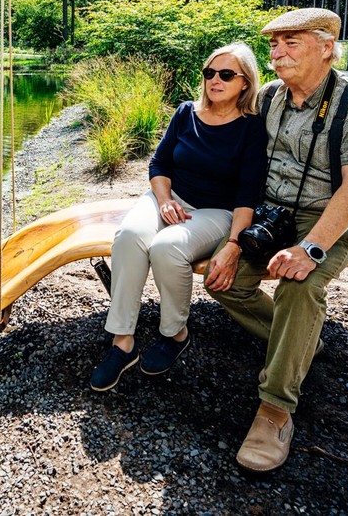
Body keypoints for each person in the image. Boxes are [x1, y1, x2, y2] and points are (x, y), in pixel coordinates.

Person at [205, 8, 348, 472]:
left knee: (300, 287)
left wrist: (310, 249)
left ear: (326, 47)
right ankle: (299, 345)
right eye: (273, 44)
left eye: (291, 42)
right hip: (272, 215)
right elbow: (231, 150)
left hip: (331, 220)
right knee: (219, 280)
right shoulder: (268, 97)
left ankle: (275, 408)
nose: (276, 53)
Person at [90, 42, 268, 392]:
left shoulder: (251, 127)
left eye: (226, 74)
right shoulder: (186, 112)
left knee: (167, 247)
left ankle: (175, 332)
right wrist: (165, 198)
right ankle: (122, 342)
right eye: (209, 73)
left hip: (217, 211)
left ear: (245, 83)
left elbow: (248, 191)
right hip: (168, 197)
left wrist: (234, 242)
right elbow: (158, 164)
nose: (214, 80)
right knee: (129, 237)